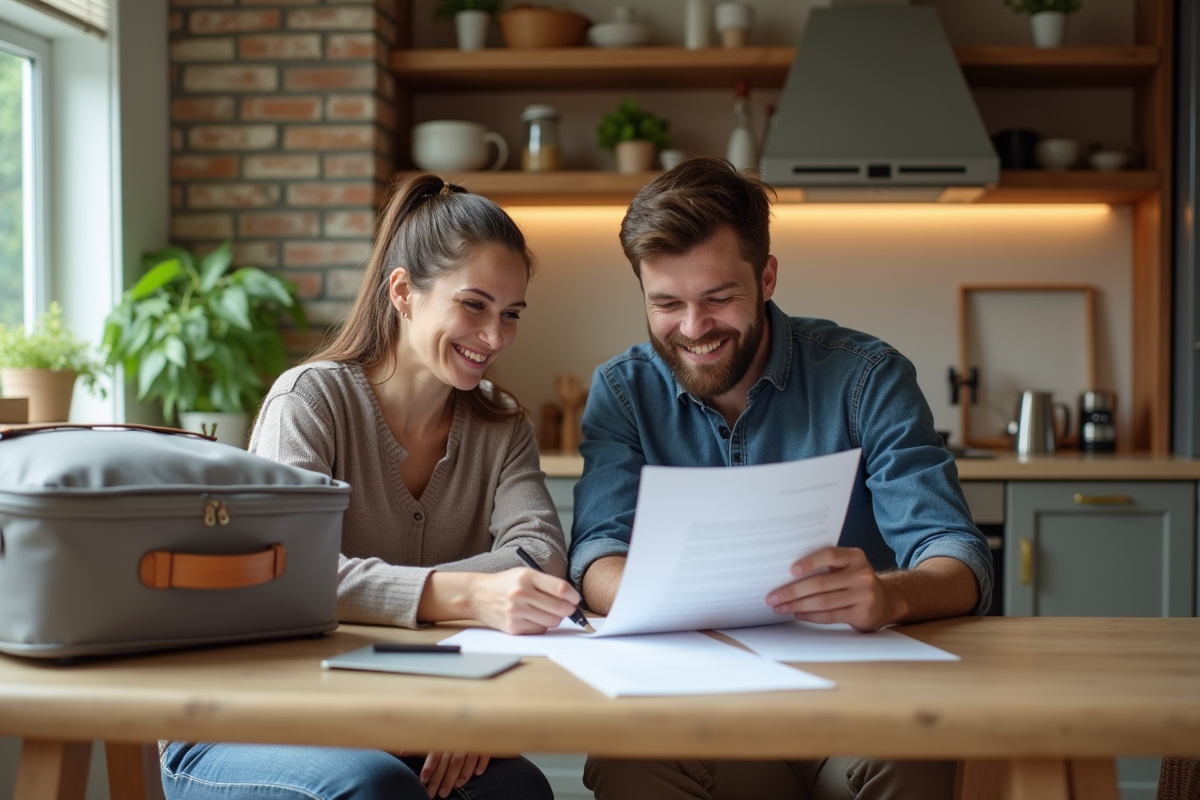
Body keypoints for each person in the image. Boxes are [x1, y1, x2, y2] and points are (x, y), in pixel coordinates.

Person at [569, 157, 994, 800]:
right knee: (628, 762)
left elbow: (956, 556)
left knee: (920, 752)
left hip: (856, 701)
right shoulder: (622, 392)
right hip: (701, 705)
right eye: (666, 304)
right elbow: (597, 551)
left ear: (766, 277)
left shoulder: (866, 378)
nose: (692, 328)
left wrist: (888, 596)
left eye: (718, 298)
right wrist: (655, 593)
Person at [160, 174, 583, 800]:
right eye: (474, 305)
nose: (495, 338)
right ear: (404, 291)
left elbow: (539, 553)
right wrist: (467, 593)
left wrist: (460, 706)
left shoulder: (501, 422)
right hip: (249, 717)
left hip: (407, 712)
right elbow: (289, 575)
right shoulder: (310, 401)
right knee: (373, 788)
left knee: (517, 790)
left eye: (510, 314)